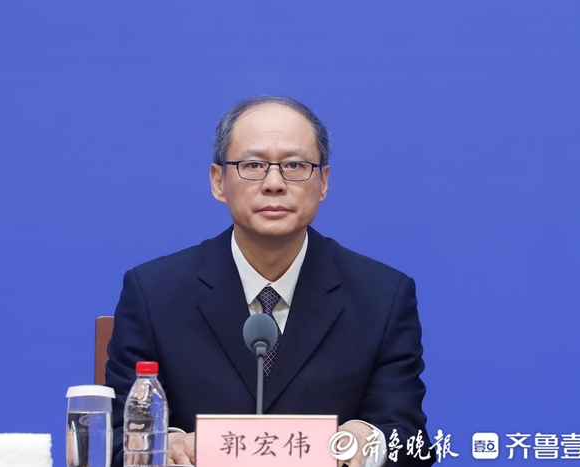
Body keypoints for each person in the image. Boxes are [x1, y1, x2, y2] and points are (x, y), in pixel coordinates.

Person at [105, 95, 433, 467]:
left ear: (323, 182)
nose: (274, 183)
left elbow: (410, 443)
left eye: (294, 165)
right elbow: (114, 436)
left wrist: (371, 442)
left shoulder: (382, 297)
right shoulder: (154, 293)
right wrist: (165, 447)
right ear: (218, 181)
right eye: (253, 165)